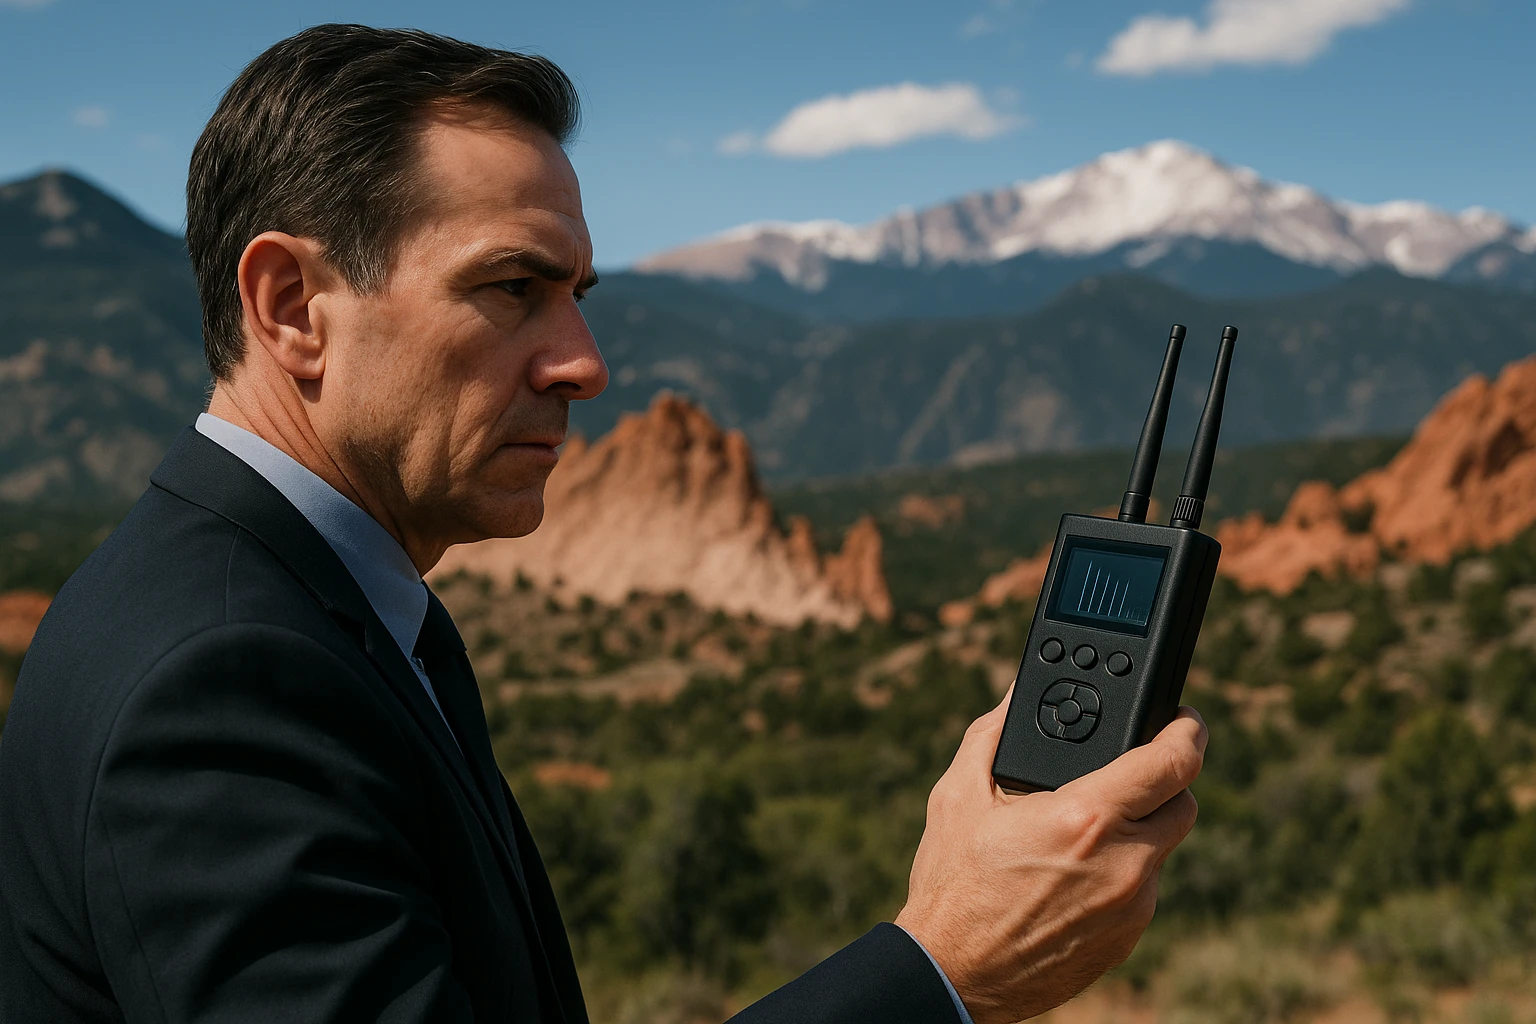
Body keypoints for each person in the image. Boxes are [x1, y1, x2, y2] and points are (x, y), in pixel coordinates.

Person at [0, 24, 1205, 1024]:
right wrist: (940, 969)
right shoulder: (219, 688)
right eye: (511, 289)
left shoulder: (292, 600)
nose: (584, 361)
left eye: (577, 295)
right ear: (292, 307)